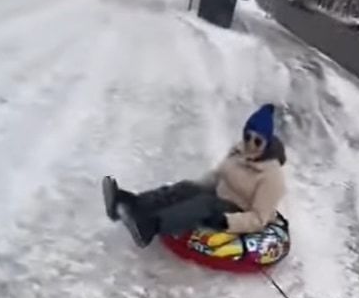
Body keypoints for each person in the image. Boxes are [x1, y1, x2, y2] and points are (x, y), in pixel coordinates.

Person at [102, 104, 287, 248]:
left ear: (267, 143)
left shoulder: (272, 177)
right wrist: (193, 188)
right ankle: (130, 204)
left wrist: (227, 221)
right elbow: (218, 174)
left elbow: (258, 219)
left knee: (204, 204)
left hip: (239, 211)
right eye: (248, 136)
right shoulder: (239, 151)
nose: (250, 144)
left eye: (257, 141)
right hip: (220, 197)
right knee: (187, 189)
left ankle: (150, 226)